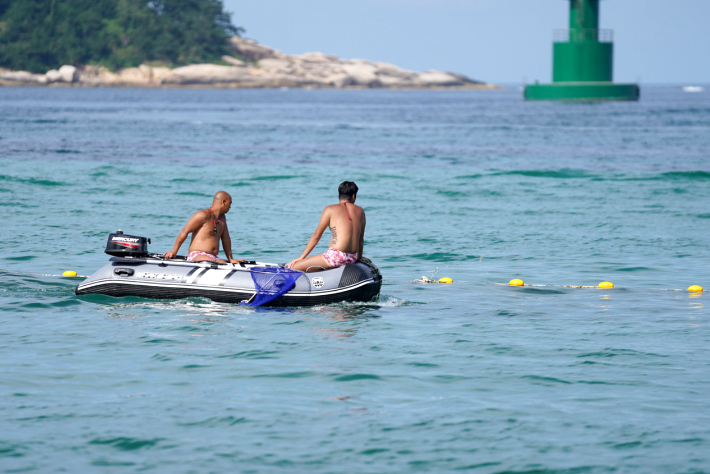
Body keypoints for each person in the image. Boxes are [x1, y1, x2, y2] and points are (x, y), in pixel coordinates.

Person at [286, 181, 366, 272]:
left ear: (339, 195)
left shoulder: (329, 209)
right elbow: (360, 239)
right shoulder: (361, 211)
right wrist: (359, 258)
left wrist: (301, 257)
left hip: (335, 257)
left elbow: (316, 236)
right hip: (352, 258)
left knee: (291, 267)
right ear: (353, 196)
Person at [163, 191, 244, 264]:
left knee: (225, 265)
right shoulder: (203, 215)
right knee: (216, 265)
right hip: (197, 255)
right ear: (223, 202)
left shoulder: (222, 219)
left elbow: (225, 238)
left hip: (213, 257)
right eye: (230, 203)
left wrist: (230, 259)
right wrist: (174, 251)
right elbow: (185, 231)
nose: (230, 206)